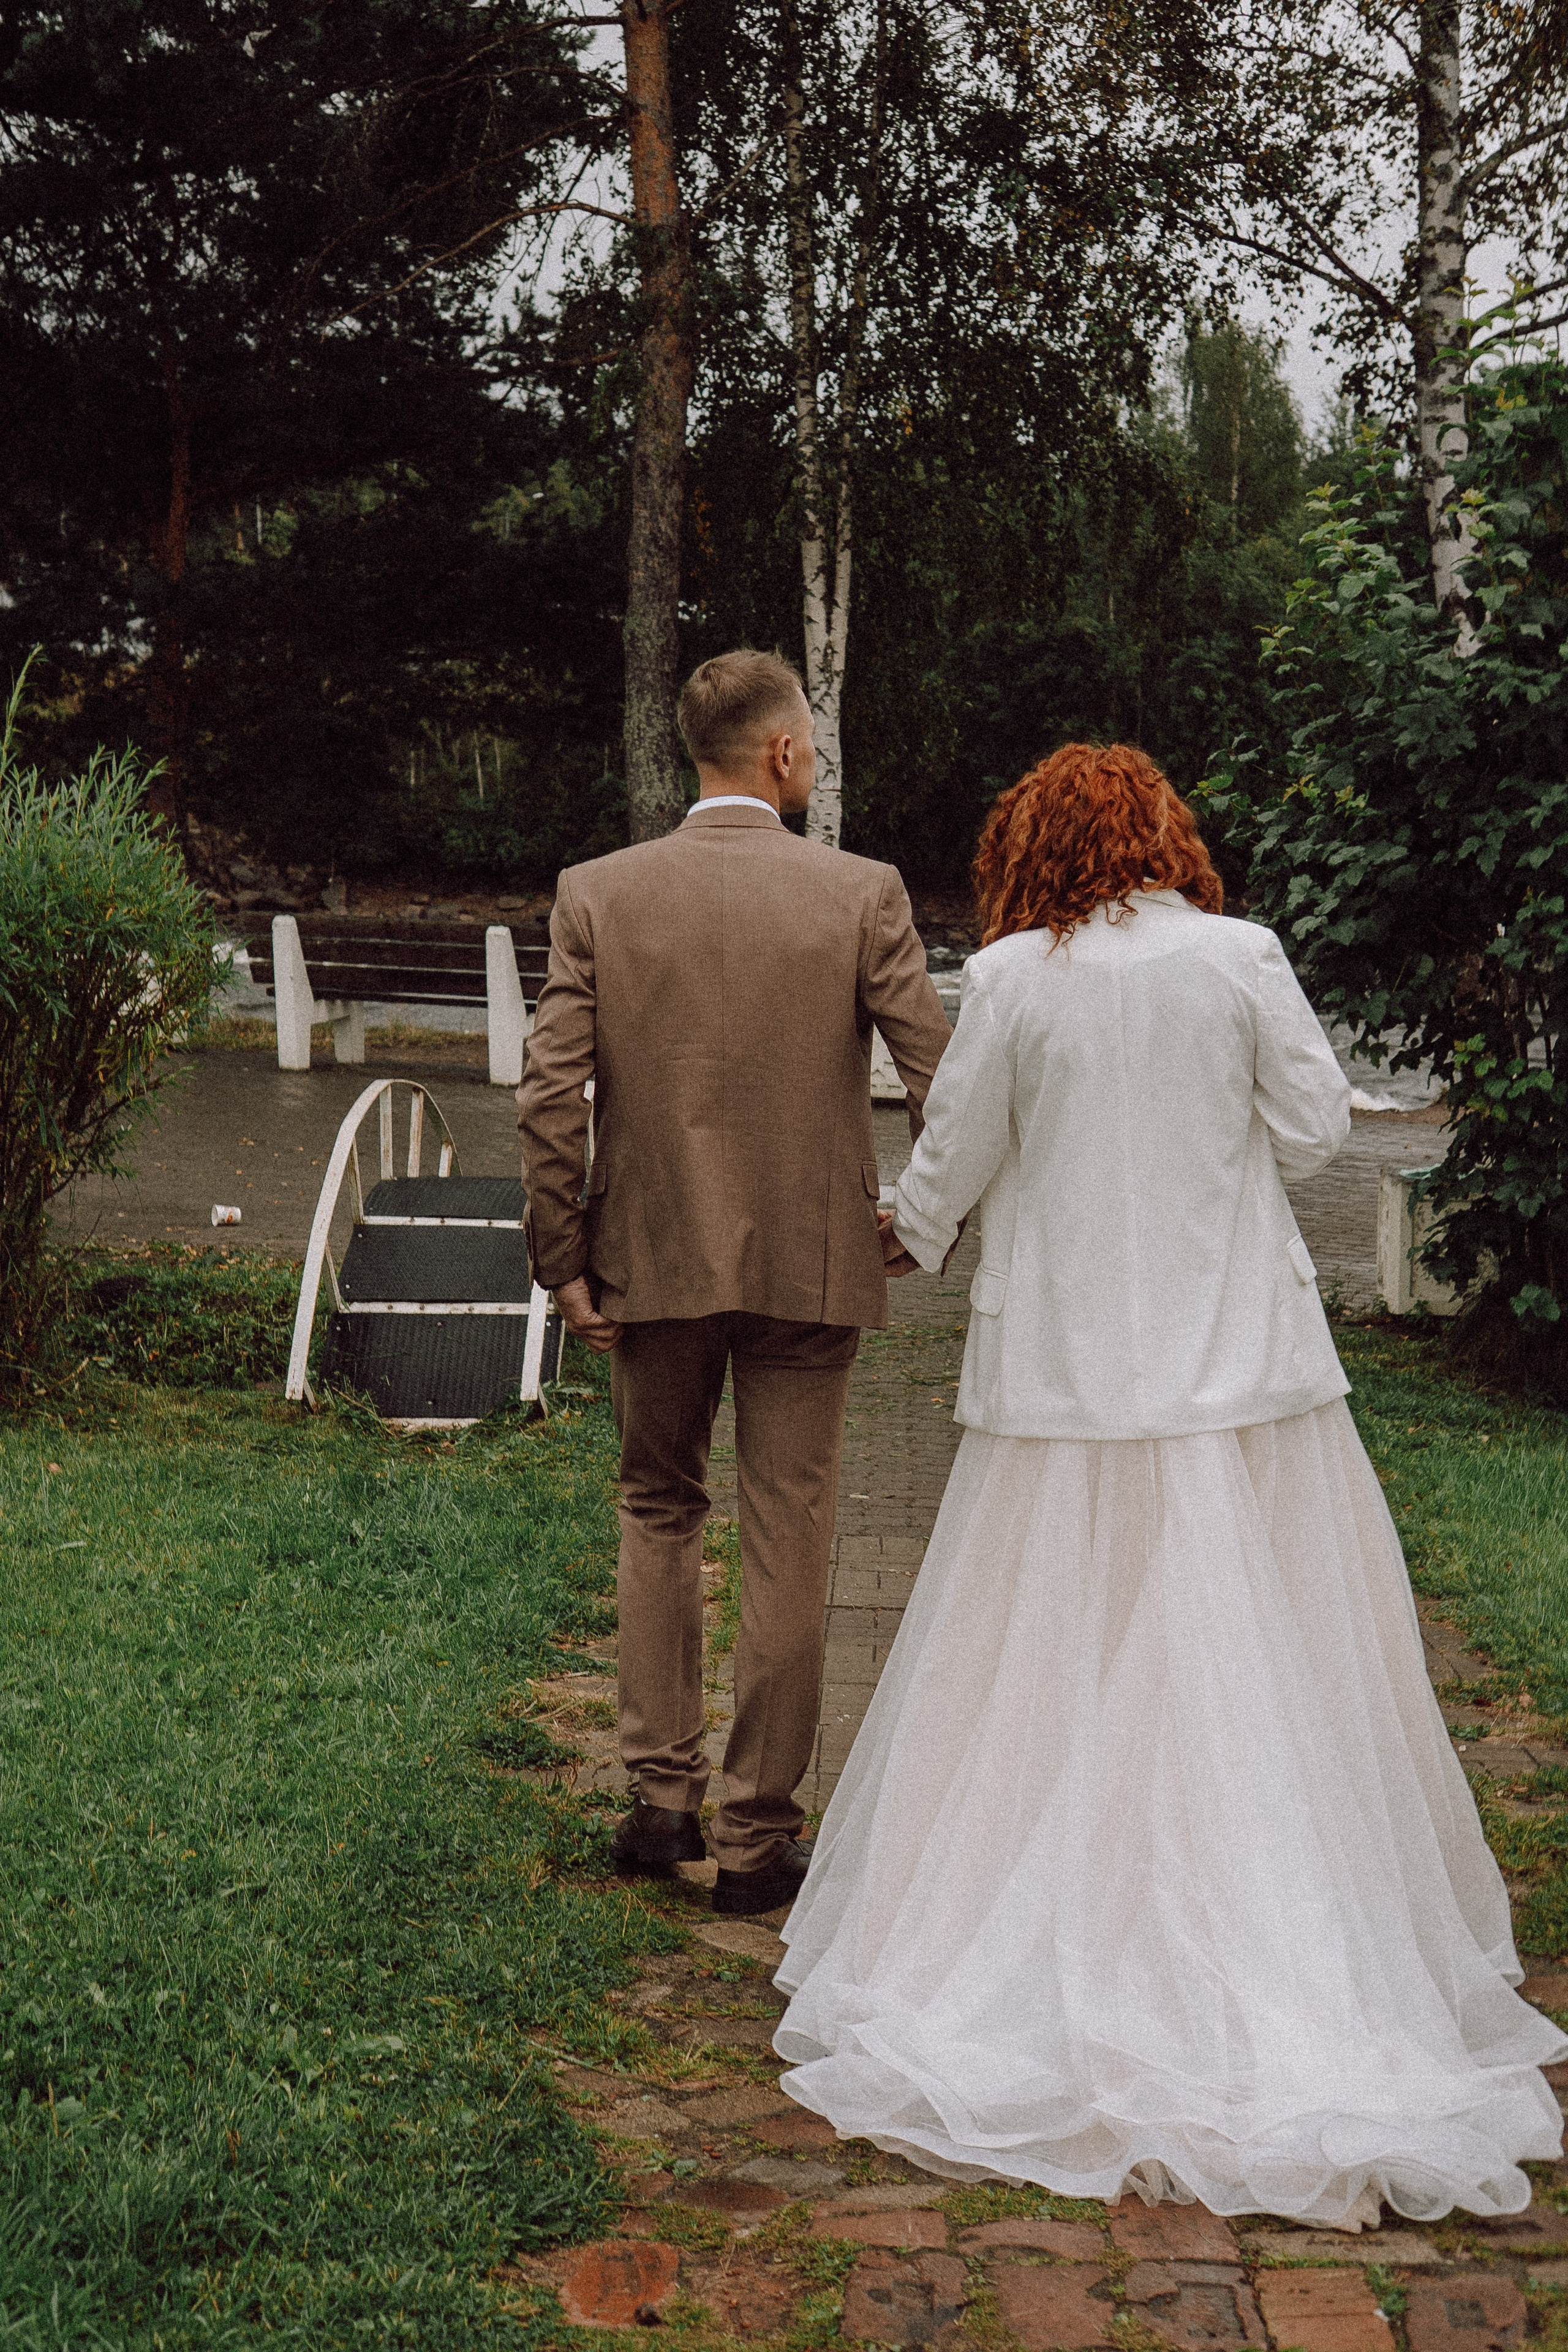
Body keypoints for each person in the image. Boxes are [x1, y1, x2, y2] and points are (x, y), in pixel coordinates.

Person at [772, 741, 1567, 2224]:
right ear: (1162, 838)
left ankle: (1058, 1911)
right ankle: (1279, 1932)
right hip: (1237, 1363)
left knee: (1050, 1645)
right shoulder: (1239, 956)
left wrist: (910, 1230)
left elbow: (956, 1151)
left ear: (1029, 847)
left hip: (1065, 1372)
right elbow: (1314, 1129)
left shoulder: (1010, 978)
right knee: (1254, 1644)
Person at [517, 649, 952, 1918]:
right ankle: (758, 1841)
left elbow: (548, 1094)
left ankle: (661, 1801)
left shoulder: (599, 893)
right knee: (789, 1527)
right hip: (814, 1263)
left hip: (646, 1255)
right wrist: (923, 1219)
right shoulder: (861, 893)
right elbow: (942, 1074)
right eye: (810, 740)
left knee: (658, 1506)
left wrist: (563, 1255)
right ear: (781, 751)